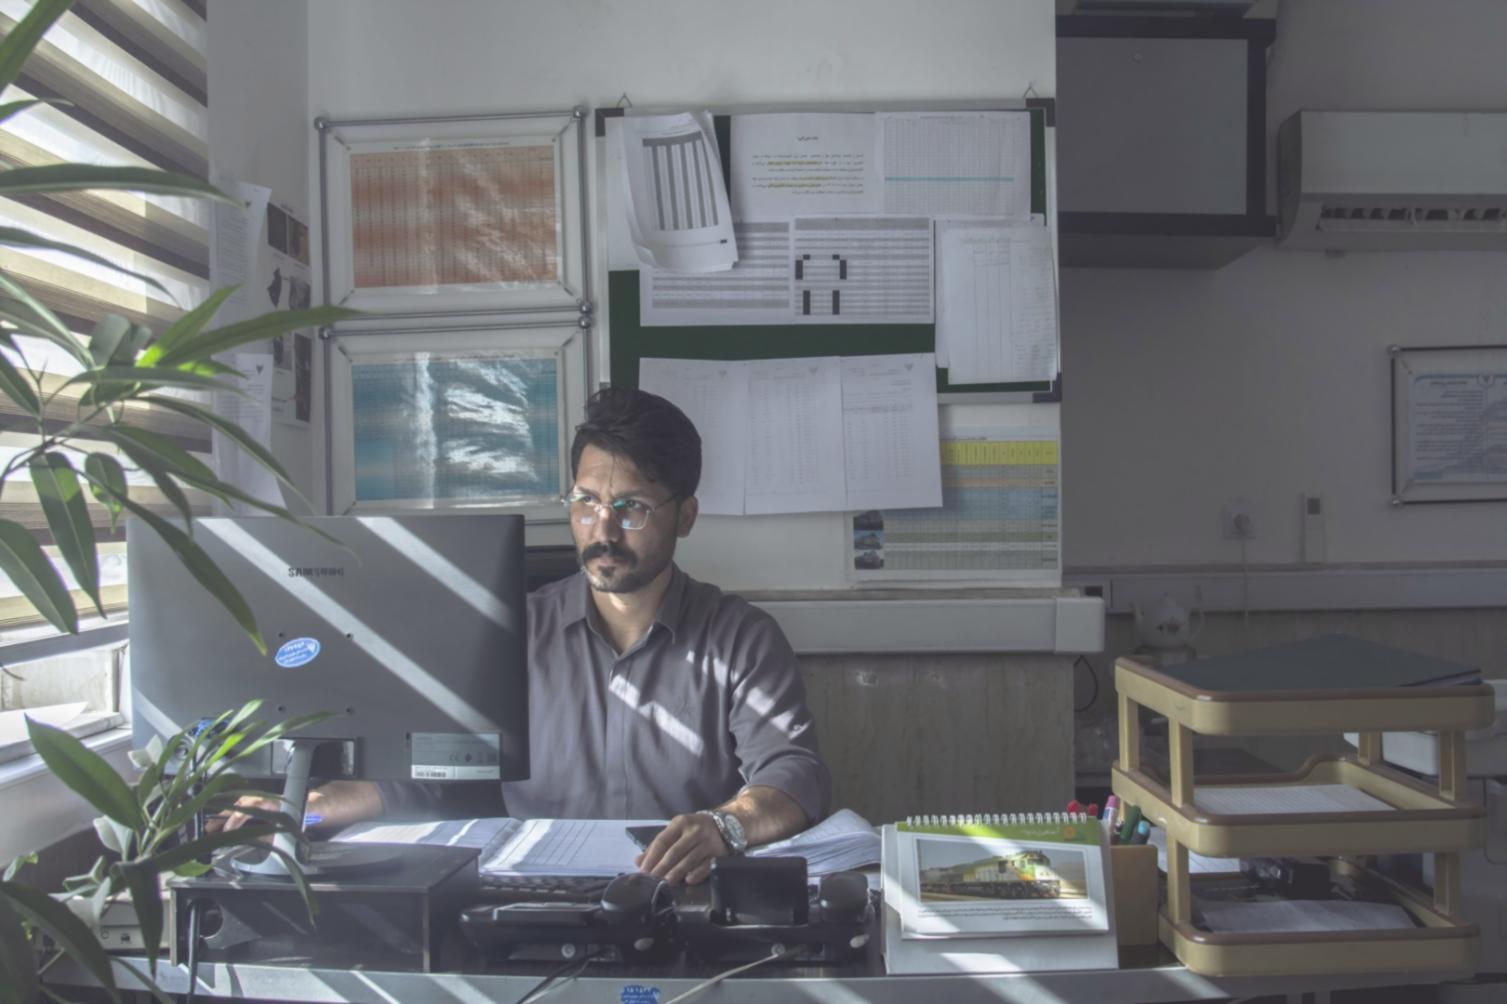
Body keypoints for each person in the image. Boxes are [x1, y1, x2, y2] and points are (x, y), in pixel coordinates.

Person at [222, 388, 830, 885]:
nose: (603, 529)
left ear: (686, 516)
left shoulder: (740, 639)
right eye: (586, 501)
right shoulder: (512, 634)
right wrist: (303, 803)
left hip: (683, 893)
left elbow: (792, 774)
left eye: (633, 507)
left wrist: (722, 826)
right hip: (534, 893)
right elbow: (428, 773)